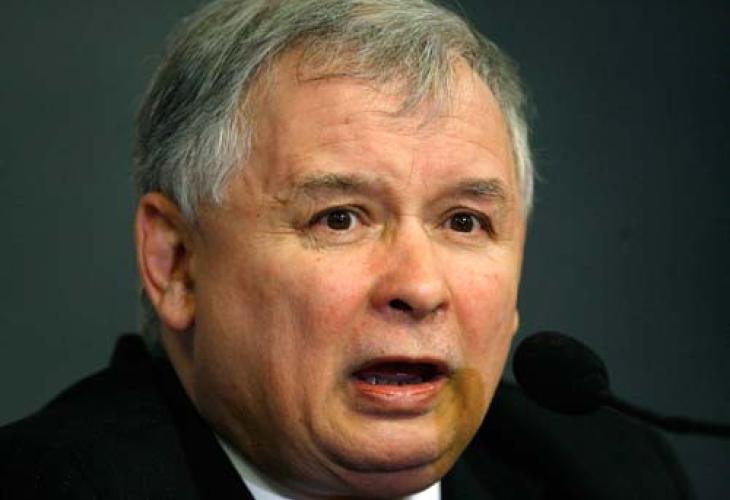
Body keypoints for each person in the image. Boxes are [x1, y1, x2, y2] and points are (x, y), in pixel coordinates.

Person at [0, 1, 693, 498]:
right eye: (339, 219)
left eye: (463, 222)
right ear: (176, 264)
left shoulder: (611, 474)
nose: (420, 288)